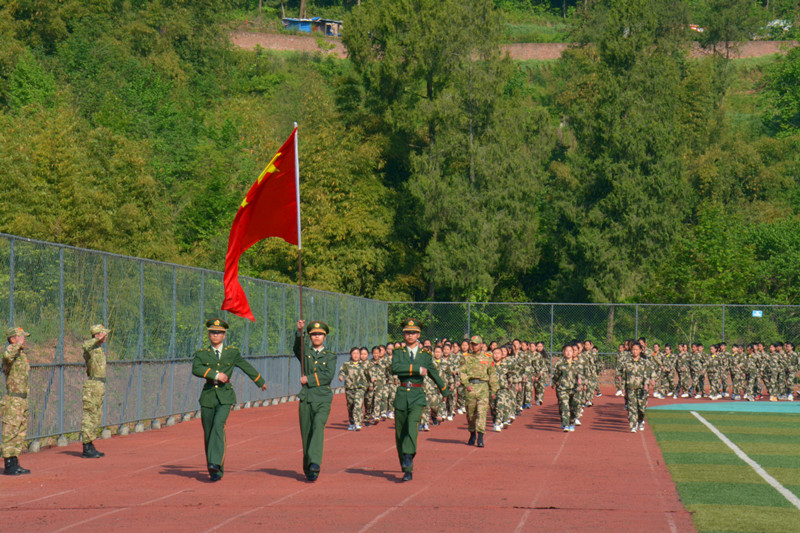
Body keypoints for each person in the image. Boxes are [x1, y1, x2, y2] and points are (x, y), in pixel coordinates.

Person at [191, 318, 266, 482]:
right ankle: (215, 468)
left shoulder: (231, 353)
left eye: (218, 332)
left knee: (218, 425)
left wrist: (260, 381)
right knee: (209, 432)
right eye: (212, 332)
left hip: (225, 396)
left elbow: (245, 366)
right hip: (208, 395)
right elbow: (196, 368)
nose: (215, 335)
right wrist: (216, 375)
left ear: (224, 335)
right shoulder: (202, 353)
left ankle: (214, 463)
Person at [391, 319, 450, 481]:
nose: (410, 335)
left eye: (413, 333)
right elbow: (395, 368)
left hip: (417, 394)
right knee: (400, 431)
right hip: (402, 393)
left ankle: (409, 459)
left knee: (412, 425)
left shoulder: (425, 355)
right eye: (407, 332)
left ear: (418, 335)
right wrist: (415, 369)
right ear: (403, 335)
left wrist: (444, 389)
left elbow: (432, 371)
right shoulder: (398, 353)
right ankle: (404, 459)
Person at [294, 319, 336, 481]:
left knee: (318, 426)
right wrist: (300, 332)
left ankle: (315, 463)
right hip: (306, 397)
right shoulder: (306, 354)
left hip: (323, 397)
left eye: (320, 334)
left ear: (325, 337)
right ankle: (309, 467)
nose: (317, 337)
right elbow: (297, 348)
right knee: (307, 433)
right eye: (313, 335)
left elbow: (328, 375)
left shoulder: (330, 356)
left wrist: (309, 379)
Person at [2, 326, 31, 475]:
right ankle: (8, 462)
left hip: (22, 399)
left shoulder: (21, 355)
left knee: (20, 431)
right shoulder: (10, 353)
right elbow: (7, 356)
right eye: (20, 337)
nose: (23, 340)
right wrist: (16, 344)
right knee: (10, 430)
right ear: (13, 339)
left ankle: (14, 461)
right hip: (13, 399)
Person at [460, 335, 499, 447]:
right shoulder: (466, 357)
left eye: (476, 344)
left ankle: (480, 437)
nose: (474, 346)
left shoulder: (487, 357)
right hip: (471, 387)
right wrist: (466, 384)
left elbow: (492, 374)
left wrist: (493, 390)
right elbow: (462, 372)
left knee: (482, 413)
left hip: (483, 387)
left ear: (481, 345)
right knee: (471, 414)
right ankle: (472, 433)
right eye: (472, 344)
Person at [81, 324, 110, 459]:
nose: (106, 336)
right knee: (90, 415)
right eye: (103, 334)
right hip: (93, 384)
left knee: (96, 415)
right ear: (98, 335)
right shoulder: (91, 348)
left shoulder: (98, 349)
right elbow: (85, 345)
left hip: (99, 384)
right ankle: (87, 446)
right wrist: (97, 338)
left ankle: (91, 444)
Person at [620, 342, 655, 433]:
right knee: (632, 407)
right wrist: (623, 387)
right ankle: (633, 424)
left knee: (641, 408)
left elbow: (651, 373)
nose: (635, 351)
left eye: (636, 349)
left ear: (640, 350)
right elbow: (624, 375)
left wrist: (650, 381)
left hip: (642, 388)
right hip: (630, 388)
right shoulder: (627, 363)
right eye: (633, 350)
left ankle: (640, 421)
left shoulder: (645, 362)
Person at [339, 347, 368, 431]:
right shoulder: (346, 364)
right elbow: (342, 371)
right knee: (350, 405)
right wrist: (341, 376)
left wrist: (372, 381)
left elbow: (369, 374)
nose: (356, 355)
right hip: (349, 388)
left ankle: (358, 423)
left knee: (358, 404)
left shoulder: (364, 365)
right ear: (351, 354)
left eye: (357, 353)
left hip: (360, 388)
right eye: (354, 353)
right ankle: (352, 422)